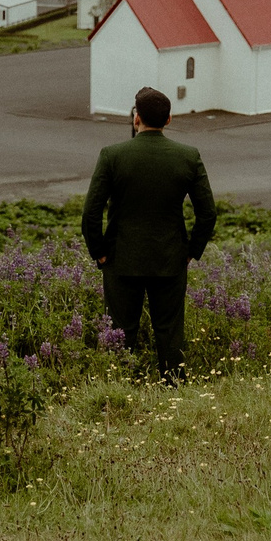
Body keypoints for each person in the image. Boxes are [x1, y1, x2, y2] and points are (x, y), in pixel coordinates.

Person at [80, 86, 216, 380]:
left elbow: (91, 212)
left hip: (120, 259)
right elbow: (207, 213)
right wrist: (191, 251)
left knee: (120, 332)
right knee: (169, 331)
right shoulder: (188, 156)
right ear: (169, 120)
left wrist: (99, 253)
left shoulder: (112, 155)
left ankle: (121, 389)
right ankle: (173, 393)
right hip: (170, 259)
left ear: (136, 118)